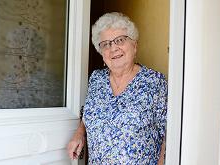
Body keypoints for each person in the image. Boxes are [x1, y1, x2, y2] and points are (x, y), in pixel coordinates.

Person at [67, 12, 167, 164]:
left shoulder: (155, 81)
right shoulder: (96, 79)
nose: (113, 48)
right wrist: (79, 133)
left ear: (134, 45)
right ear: (102, 54)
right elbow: (88, 113)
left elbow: (169, 134)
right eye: (105, 44)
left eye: (120, 40)